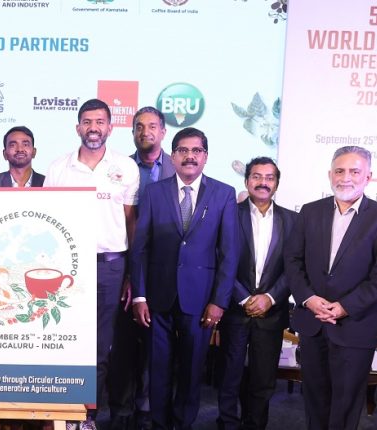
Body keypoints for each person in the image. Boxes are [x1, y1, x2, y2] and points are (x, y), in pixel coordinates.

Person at [130, 127, 239, 430]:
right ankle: (159, 424)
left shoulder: (224, 194)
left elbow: (229, 253)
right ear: (173, 155)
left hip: (201, 299)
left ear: (206, 156)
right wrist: (139, 295)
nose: (190, 156)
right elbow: (140, 248)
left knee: (192, 371)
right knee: (159, 369)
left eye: (196, 151)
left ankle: (183, 424)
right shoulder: (154, 192)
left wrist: (219, 301)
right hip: (158, 298)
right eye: (183, 150)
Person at [285, 145, 377, 430]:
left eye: (354, 171)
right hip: (312, 322)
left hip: (355, 325)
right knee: (314, 401)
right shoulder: (310, 212)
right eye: (339, 170)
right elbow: (293, 260)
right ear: (330, 174)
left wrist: (345, 306)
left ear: (368, 177)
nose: (345, 177)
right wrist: (308, 298)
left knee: (346, 406)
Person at [44, 98, 140, 429]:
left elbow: (131, 222)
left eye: (99, 122)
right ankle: (63, 414)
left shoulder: (126, 167)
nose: (93, 128)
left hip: (111, 267)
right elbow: (46, 221)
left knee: (100, 346)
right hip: (66, 269)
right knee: (66, 342)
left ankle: (87, 416)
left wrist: (131, 274)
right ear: (78, 127)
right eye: (87, 122)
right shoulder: (59, 168)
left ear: (110, 128)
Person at [216, 157, 296, 430]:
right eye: (257, 176)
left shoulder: (293, 220)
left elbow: (295, 267)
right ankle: (227, 424)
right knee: (229, 375)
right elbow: (219, 258)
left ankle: (255, 425)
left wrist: (270, 298)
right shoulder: (229, 214)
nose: (263, 182)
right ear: (246, 180)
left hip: (272, 312)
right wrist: (244, 297)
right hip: (235, 309)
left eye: (269, 178)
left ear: (277, 184)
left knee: (263, 379)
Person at [109, 106, 176, 430]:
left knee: (156, 349)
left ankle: (148, 410)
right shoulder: (119, 168)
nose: (145, 132)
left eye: (151, 126)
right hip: (124, 270)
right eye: (138, 126)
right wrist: (128, 275)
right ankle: (121, 412)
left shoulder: (180, 169)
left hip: (165, 274)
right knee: (123, 346)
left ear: (163, 131)